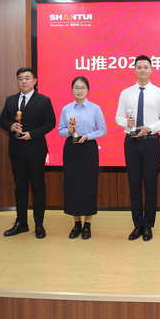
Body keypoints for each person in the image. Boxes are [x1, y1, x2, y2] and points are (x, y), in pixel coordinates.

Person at [115, 55, 160, 242]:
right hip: (131, 143)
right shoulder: (126, 93)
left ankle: (148, 225)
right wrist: (127, 123)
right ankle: (137, 225)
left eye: (146, 67)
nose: (142, 70)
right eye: (139, 67)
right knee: (134, 186)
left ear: (151, 69)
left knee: (150, 186)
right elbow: (118, 117)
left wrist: (150, 127)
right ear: (134, 69)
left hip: (151, 142)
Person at [0, 67, 56, 239]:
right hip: (16, 151)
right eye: (20, 78)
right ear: (17, 81)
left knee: (38, 188)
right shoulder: (10, 100)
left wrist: (32, 134)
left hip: (35, 150)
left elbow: (50, 123)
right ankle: (21, 223)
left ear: (34, 81)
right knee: (20, 188)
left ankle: (39, 224)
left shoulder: (43, 100)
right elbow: (2, 119)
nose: (23, 81)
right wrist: (11, 126)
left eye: (27, 78)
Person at [58, 76, 106, 240]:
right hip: (71, 149)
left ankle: (87, 225)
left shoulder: (95, 108)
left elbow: (102, 130)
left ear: (88, 90)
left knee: (88, 184)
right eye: (76, 87)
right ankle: (76, 224)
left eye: (83, 87)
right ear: (72, 90)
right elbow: (61, 130)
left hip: (88, 148)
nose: (79, 90)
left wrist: (87, 136)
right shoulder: (66, 109)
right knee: (73, 185)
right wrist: (69, 131)